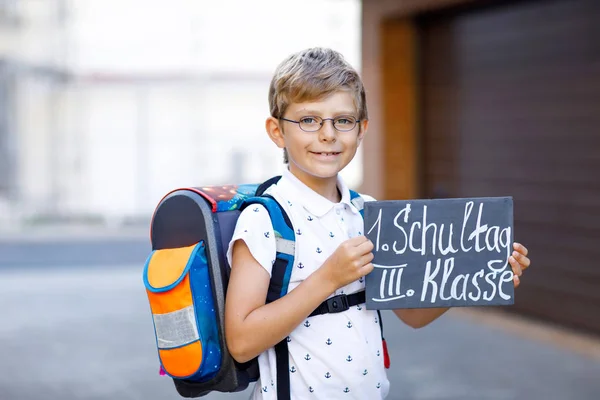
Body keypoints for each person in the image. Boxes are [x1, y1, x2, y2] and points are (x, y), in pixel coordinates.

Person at [224, 47, 531, 400]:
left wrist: (472, 273)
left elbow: (412, 316)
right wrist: (328, 278)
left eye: (343, 120)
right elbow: (242, 342)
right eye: (309, 120)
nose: (328, 134)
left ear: (362, 128)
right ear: (277, 131)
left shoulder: (367, 213)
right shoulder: (265, 219)